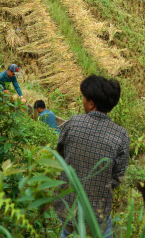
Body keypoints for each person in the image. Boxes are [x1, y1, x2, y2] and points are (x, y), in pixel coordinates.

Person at [54, 76, 129, 238]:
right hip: (98, 212)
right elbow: (118, 177)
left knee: (68, 232)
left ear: (91, 103)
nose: (82, 100)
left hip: (68, 206)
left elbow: (60, 156)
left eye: (83, 97)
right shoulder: (121, 135)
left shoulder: (72, 123)